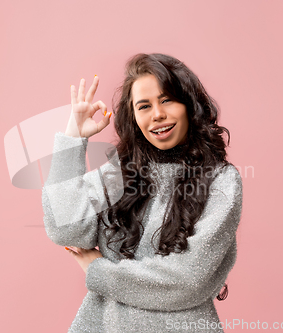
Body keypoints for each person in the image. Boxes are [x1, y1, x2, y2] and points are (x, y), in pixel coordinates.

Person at [42, 53, 243, 332]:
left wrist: (100, 273)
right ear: (134, 117)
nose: (157, 114)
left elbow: (187, 280)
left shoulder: (222, 180)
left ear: (189, 105)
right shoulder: (121, 172)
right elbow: (65, 228)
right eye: (144, 106)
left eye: (167, 100)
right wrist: (73, 137)